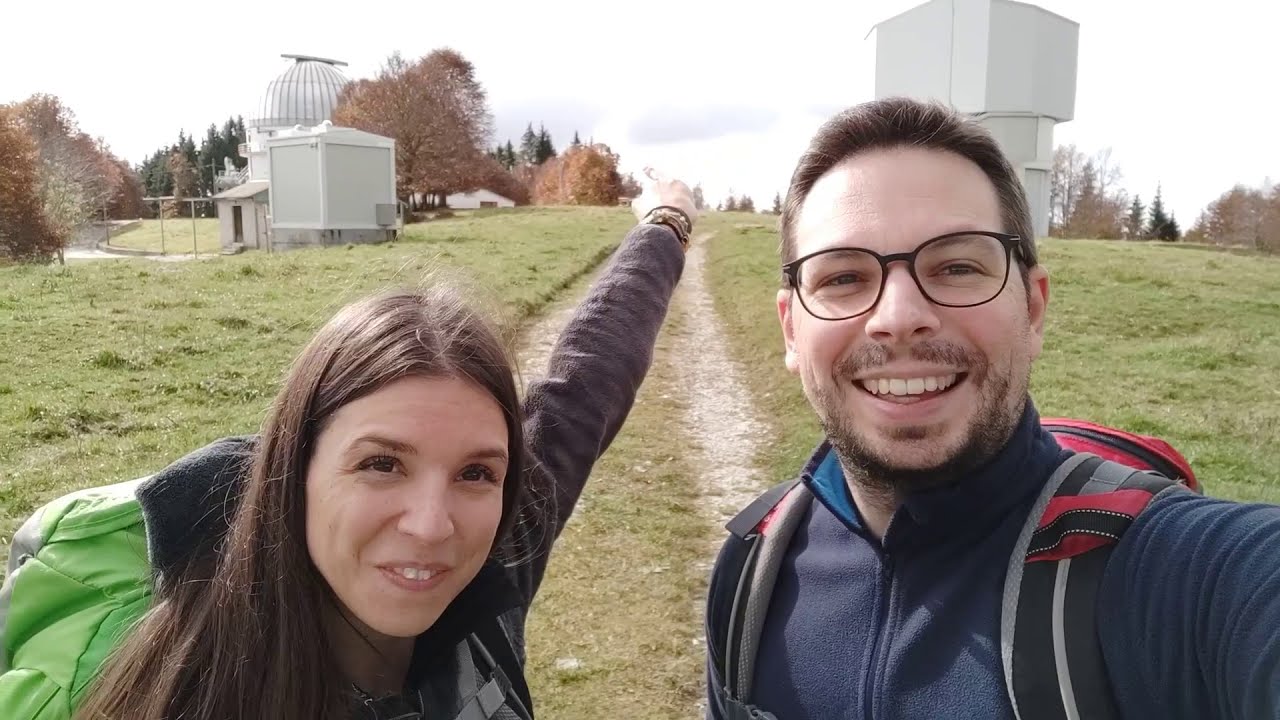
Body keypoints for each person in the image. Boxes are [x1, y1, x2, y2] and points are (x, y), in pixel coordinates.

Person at [0, 170, 698, 720]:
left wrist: (665, 225)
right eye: (381, 464)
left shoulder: (496, 561)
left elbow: (589, 382)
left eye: (477, 473)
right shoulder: (158, 676)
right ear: (293, 467)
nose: (432, 525)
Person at [702, 97, 1280, 719]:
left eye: (956, 266)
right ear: (791, 329)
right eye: (842, 278)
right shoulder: (751, 572)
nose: (898, 318)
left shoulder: (1190, 579)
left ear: (1031, 309)